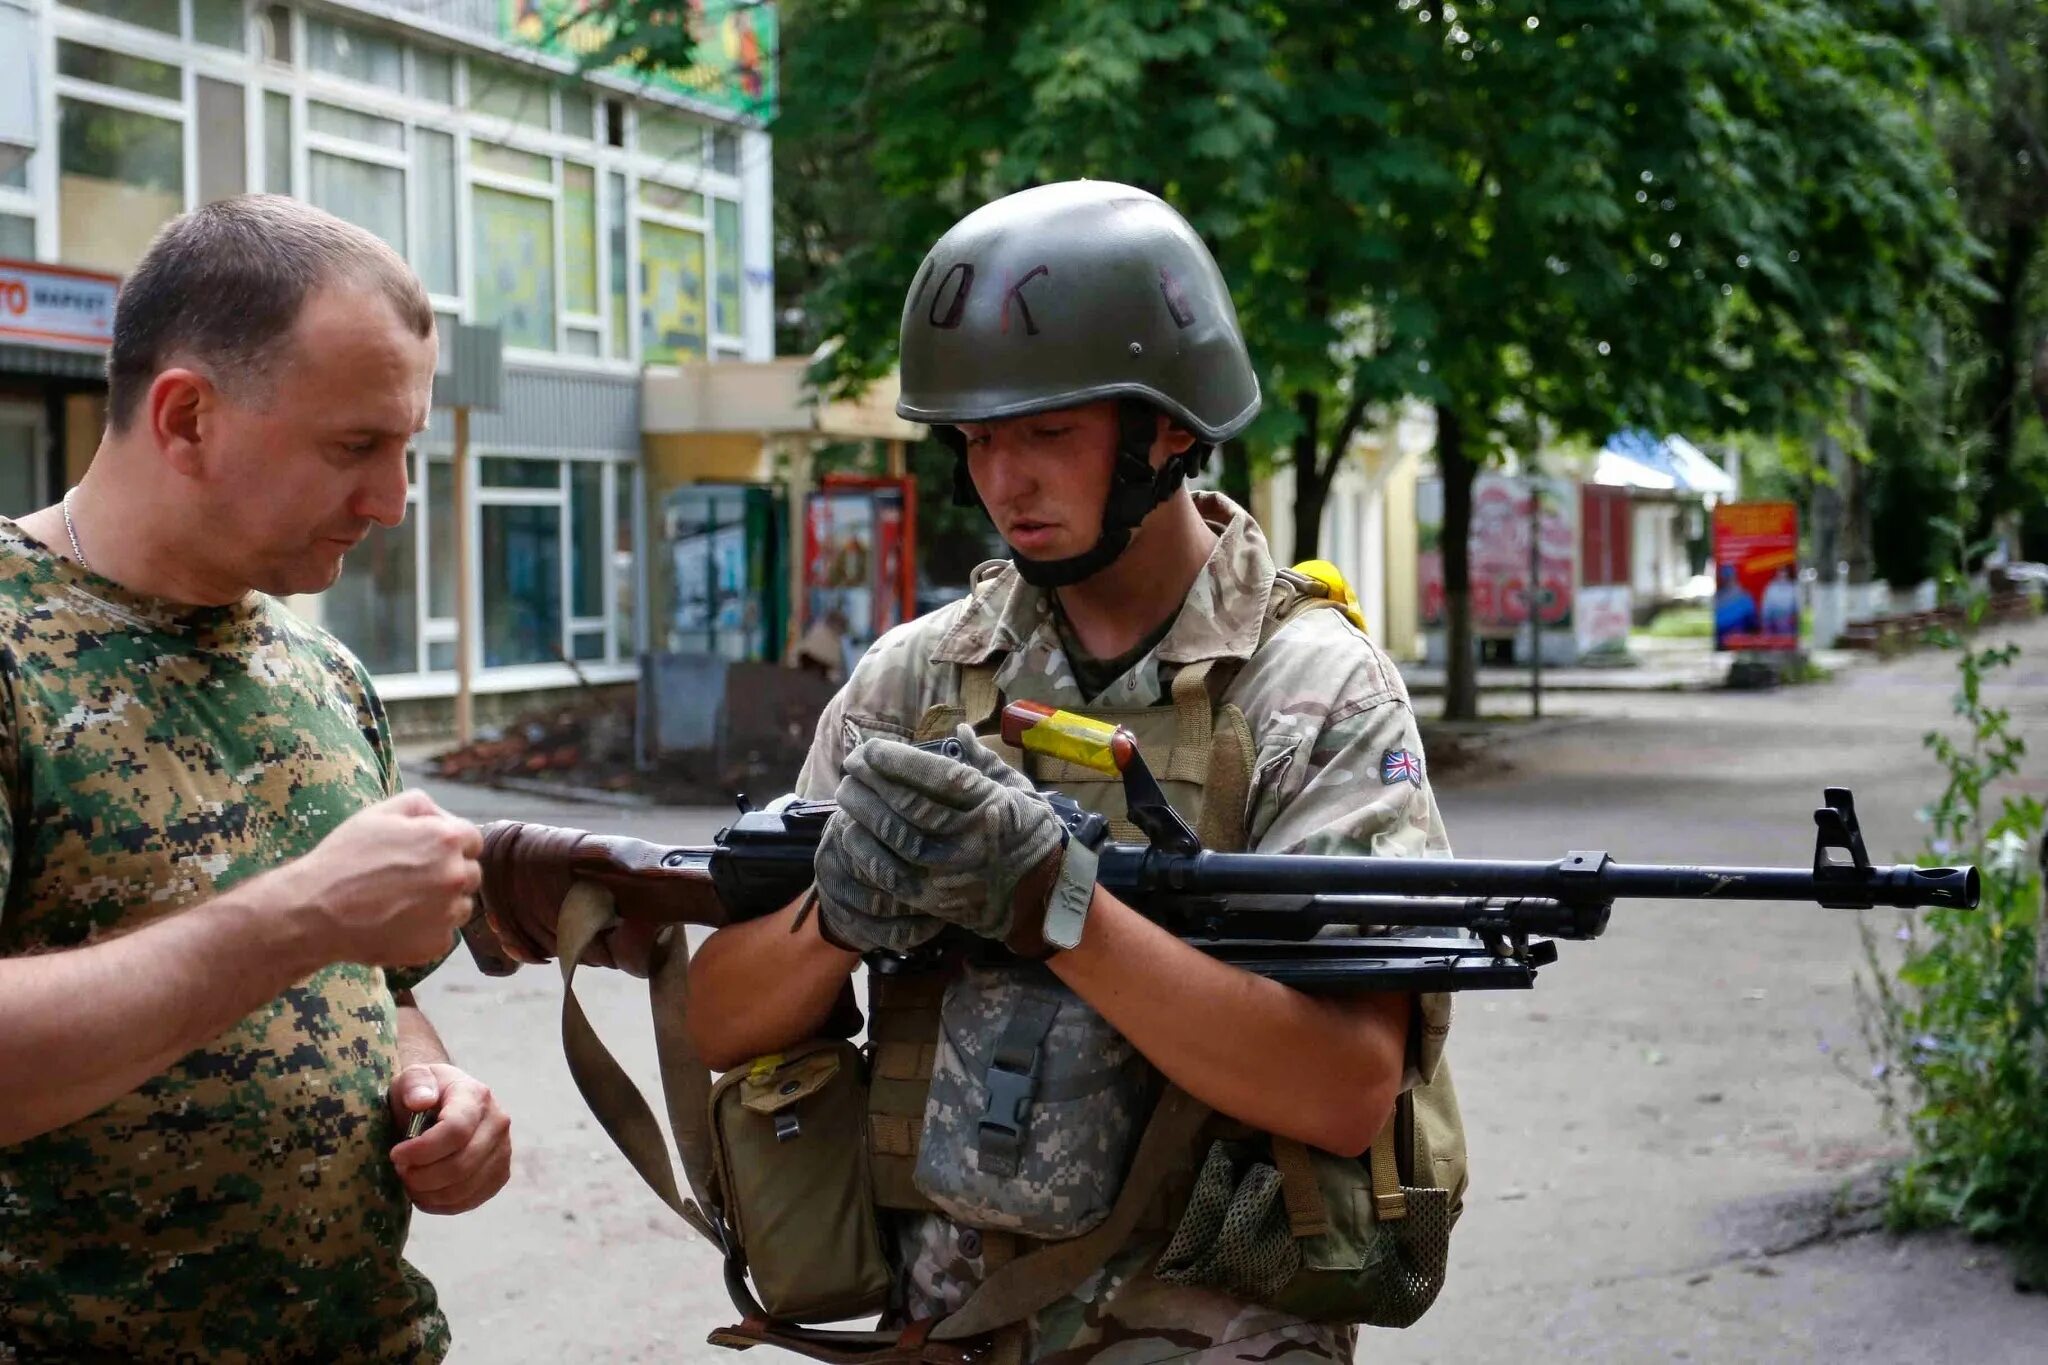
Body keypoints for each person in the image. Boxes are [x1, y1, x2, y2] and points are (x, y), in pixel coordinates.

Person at [684, 181, 1455, 1364]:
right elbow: (722, 1018)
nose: (1004, 481)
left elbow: (1344, 1088)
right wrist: (839, 913)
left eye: (1045, 433)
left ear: (1167, 429)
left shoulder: (1313, 694)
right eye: (979, 440)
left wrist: (1056, 904)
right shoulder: (914, 682)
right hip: (942, 1337)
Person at [0, 196, 510, 1362]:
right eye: (354, 448)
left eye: (406, 449)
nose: (392, 502)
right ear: (186, 417)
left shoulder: (323, 672)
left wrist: (435, 1095)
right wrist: (302, 914)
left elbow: (391, 998)